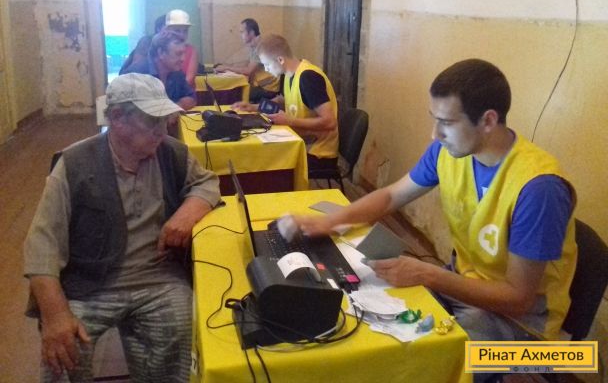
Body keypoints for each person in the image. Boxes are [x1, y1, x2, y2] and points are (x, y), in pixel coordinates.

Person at [295, 59, 577, 346]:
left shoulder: (539, 189)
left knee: (418, 351)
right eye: (435, 119)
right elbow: (391, 196)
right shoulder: (447, 151)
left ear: (488, 121)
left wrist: (428, 274)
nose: (435, 134)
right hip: (464, 284)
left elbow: (519, 300)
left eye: (447, 123)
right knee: (369, 312)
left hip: (523, 325)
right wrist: (331, 221)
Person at [23, 73, 221, 382]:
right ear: (117, 118)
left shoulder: (171, 153)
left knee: (179, 329)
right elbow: (41, 243)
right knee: (63, 351)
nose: (163, 129)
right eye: (152, 121)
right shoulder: (75, 163)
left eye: (164, 119)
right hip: (89, 283)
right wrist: (55, 314)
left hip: (158, 279)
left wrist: (188, 211)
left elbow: (207, 183)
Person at [232, 34, 339, 171]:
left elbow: (330, 122)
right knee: (258, 154)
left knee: (264, 162)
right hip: (301, 141)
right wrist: (254, 107)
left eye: (267, 64)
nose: (266, 69)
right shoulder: (290, 74)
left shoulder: (308, 78)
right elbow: (283, 99)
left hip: (318, 153)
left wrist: (290, 121)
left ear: (280, 59)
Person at [124, 30, 196, 111]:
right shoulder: (136, 74)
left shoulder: (177, 73)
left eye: (183, 54)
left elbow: (192, 97)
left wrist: (175, 107)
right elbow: (129, 111)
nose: (183, 59)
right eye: (178, 54)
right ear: (161, 53)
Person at [215, 18, 280, 102]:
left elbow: (248, 71)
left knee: (235, 93)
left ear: (251, 33)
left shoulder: (260, 46)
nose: (241, 35)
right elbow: (248, 63)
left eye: (242, 32)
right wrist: (227, 66)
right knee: (234, 91)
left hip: (268, 89)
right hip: (262, 86)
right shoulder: (256, 44)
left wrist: (226, 68)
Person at [164, 9, 199, 87]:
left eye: (185, 31)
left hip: (184, 92)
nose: (182, 35)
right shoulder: (161, 51)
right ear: (167, 30)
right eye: (177, 31)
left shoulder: (191, 50)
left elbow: (189, 79)